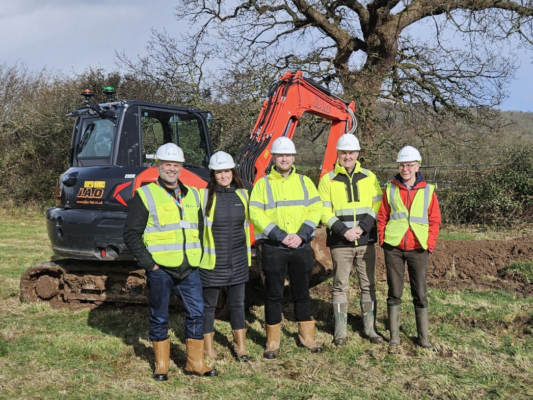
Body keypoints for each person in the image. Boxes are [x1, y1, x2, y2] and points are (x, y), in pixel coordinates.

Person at [123, 143, 217, 380]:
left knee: (196, 313)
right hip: (161, 269)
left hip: (189, 269)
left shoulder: (193, 194)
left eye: (176, 165)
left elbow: (200, 228)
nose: (172, 169)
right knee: (159, 315)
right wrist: (150, 265)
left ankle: (195, 363)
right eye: (167, 164)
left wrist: (198, 257)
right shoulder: (145, 195)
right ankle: (161, 365)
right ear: (159, 166)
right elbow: (131, 234)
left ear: (181, 167)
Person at [250, 137, 323, 359]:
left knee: (302, 292)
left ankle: (307, 338)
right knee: (273, 294)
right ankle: (272, 342)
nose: (284, 158)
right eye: (280, 155)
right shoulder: (262, 184)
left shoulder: (304, 182)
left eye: (288, 155)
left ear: (293, 158)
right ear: (274, 157)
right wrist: (280, 236)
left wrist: (301, 235)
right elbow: (255, 212)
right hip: (274, 247)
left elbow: (316, 208)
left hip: (300, 246)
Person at [318, 133, 383, 346]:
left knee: (368, 285)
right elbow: (323, 211)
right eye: (344, 152)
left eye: (351, 152)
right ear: (338, 153)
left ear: (358, 154)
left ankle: (370, 330)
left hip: (365, 240)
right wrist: (343, 231)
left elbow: (377, 206)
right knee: (339, 286)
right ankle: (340, 333)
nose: (347, 156)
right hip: (340, 242)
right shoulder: (328, 180)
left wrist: (362, 228)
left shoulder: (370, 177)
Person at [377, 146, 441, 351]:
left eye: (410, 165)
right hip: (394, 247)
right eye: (402, 165)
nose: (405, 169)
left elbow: (435, 220)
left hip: (418, 248)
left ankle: (423, 338)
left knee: (420, 293)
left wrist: (429, 244)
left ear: (417, 166)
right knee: (394, 292)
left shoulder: (428, 190)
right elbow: (382, 217)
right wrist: (383, 240)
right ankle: (394, 337)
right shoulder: (390, 189)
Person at [199, 151, 252, 362]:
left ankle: (240, 346)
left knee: (238, 304)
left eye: (227, 171)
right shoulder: (203, 197)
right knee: (208, 306)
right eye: (219, 172)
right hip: (212, 262)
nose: (223, 176)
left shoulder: (243, 195)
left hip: (238, 260)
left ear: (233, 172)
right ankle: (207, 348)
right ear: (213, 174)